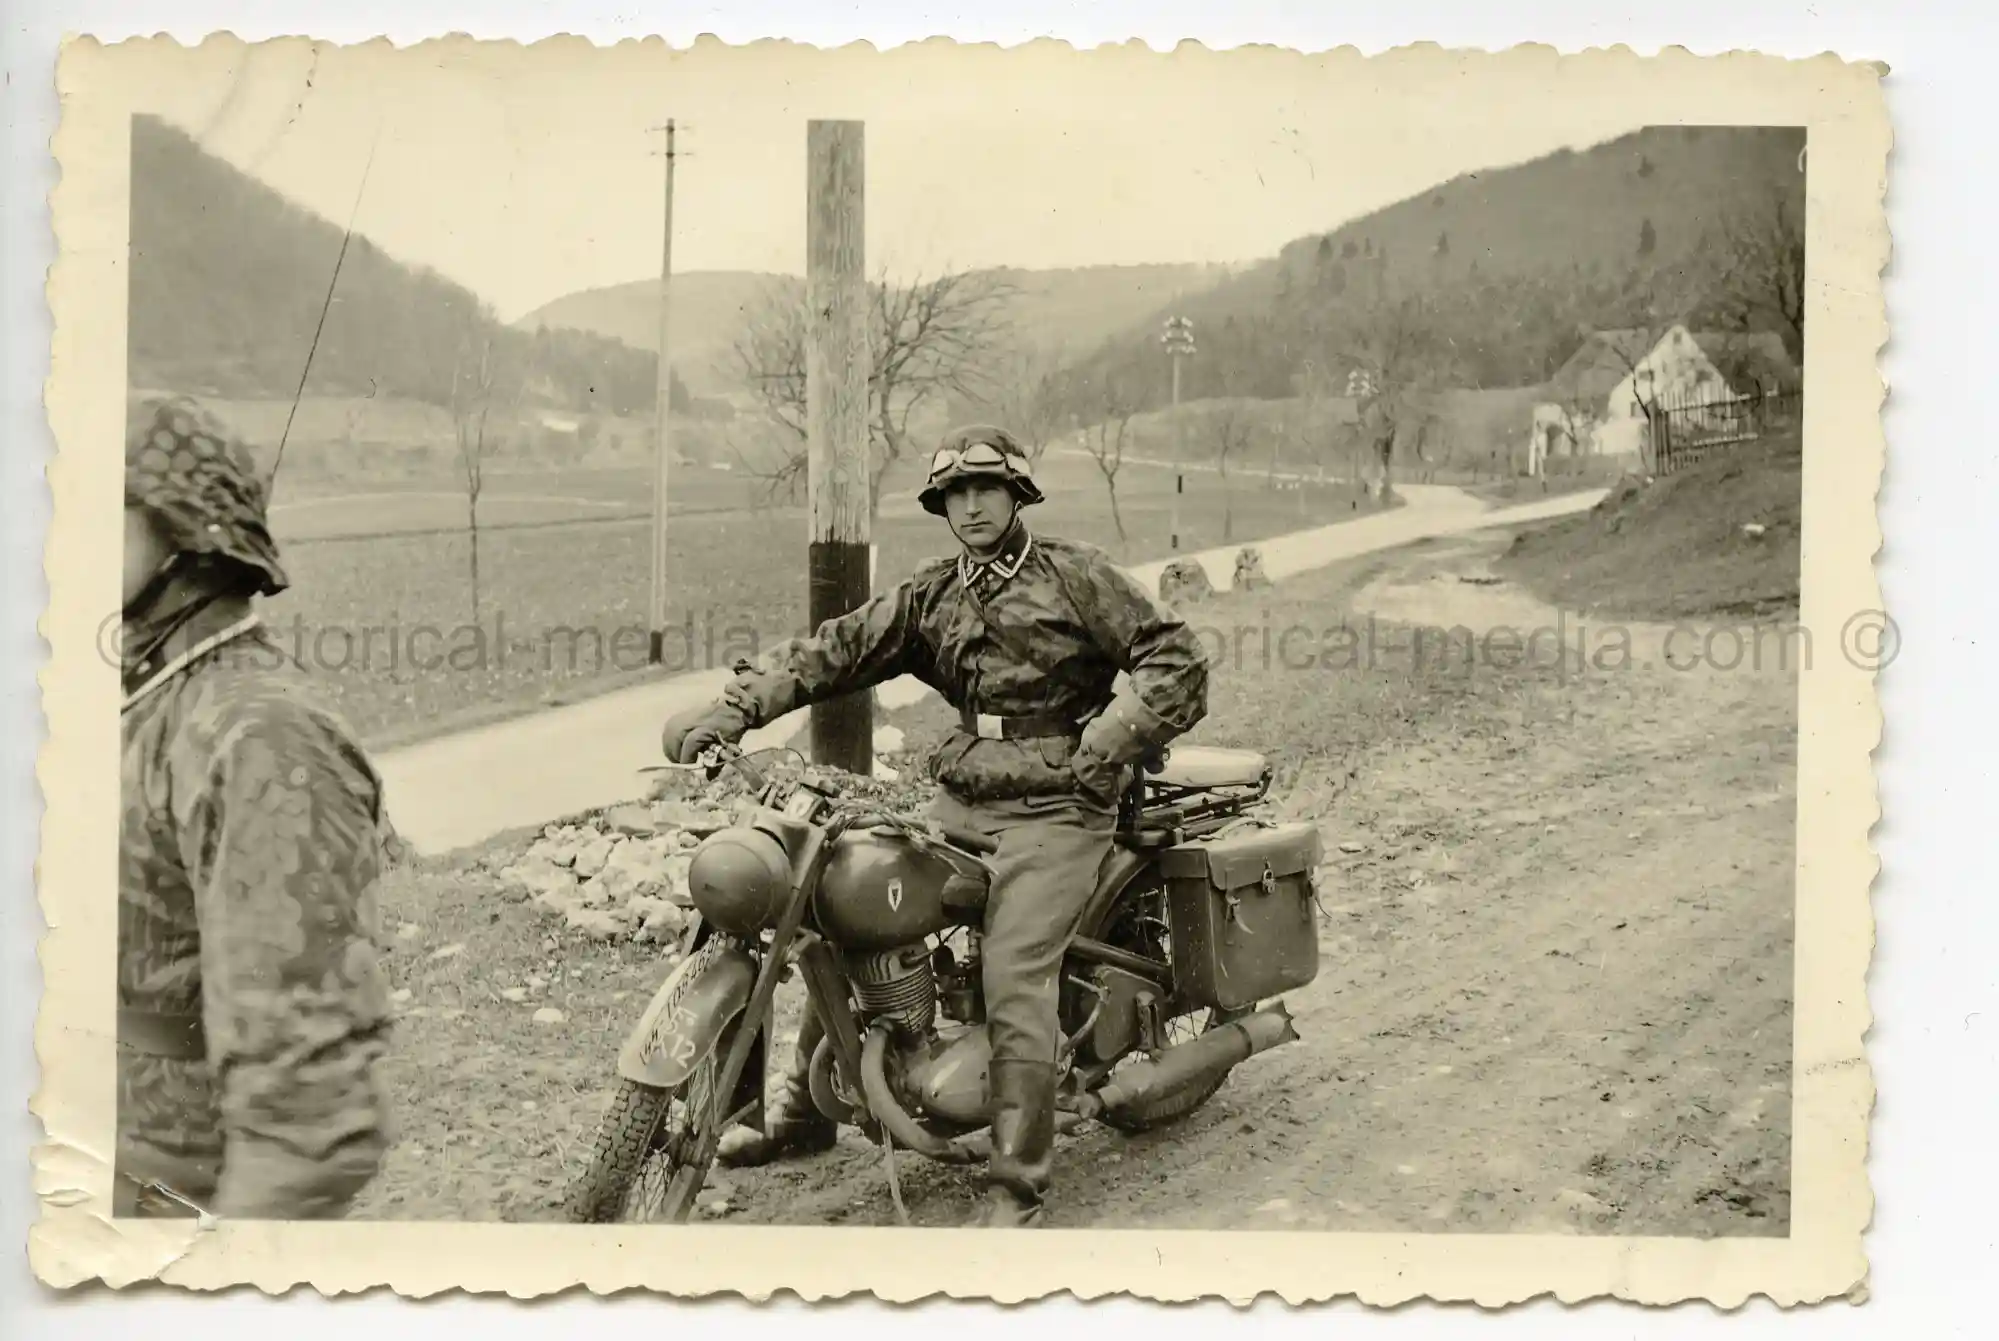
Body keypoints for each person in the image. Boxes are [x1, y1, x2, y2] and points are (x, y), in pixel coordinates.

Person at [660, 424, 1209, 1227]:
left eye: (986, 489)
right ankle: (805, 1115)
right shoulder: (932, 592)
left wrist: (1108, 740)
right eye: (956, 493)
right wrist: (732, 710)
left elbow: (1177, 657)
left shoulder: (1075, 575)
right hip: (964, 795)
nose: (972, 505)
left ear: (1017, 495)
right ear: (942, 505)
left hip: (1062, 804)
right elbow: (831, 652)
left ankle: (1014, 1183)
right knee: (847, 908)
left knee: (1014, 972)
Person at [116, 396, 395, 1219]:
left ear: (183, 531)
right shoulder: (150, 698)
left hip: (170, 1199)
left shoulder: (260, 736)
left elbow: (310, 1118)